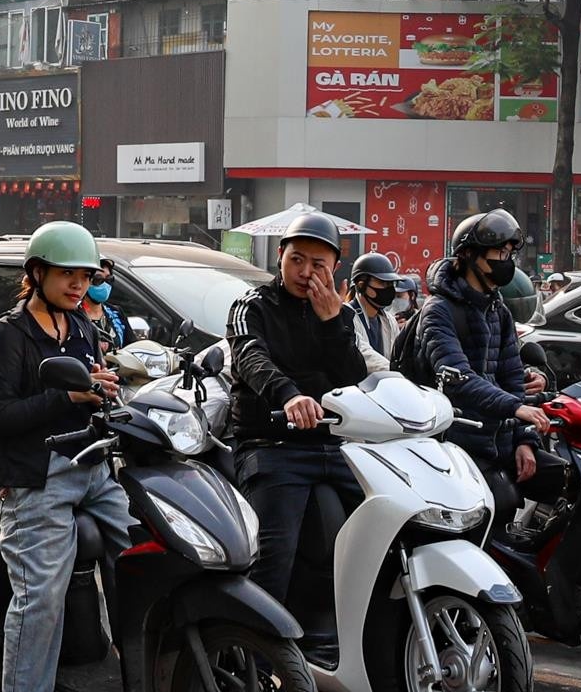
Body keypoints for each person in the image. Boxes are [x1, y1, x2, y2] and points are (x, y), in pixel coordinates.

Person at [0, 221, 132, 692]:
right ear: (36, 274)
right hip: (33, 478)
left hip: (91, 468)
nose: (77, 284)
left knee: (146, 551)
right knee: (40, 596)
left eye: (84, 275)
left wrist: (105, 387)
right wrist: (65, 397)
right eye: (67, 273)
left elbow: (91, 391)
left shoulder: (81, 327)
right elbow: (1, 418)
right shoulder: (9, 337)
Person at [225, 212, 374, 624]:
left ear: (334, 269)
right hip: (271, 446)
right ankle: (250, 652)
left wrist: (331, 323)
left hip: (334, 445)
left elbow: (354, 378)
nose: (306, 272)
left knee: (384, 530)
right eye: (297, 260)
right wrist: (289, 396)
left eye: (318, 264)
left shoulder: (341, 316)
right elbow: (250, 356)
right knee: (274, 554)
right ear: (280, 256)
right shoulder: (251, 305)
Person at [409, 209, 549, 514]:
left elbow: (512, 378)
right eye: (499, 252)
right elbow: (459, 378)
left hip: (496, 444)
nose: (506, 261)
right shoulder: (439, 311)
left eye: (510, 253)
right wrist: (516, 407)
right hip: (452, 449)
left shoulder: (499, 312)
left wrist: (525, 438)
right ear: (470, 255)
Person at [347, 252, 405, 364]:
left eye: (390, 284)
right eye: (383, 283)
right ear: (361, 285)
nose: (388, 289)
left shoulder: (390, 321)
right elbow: (363, 355)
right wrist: (392, 370)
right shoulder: (347, 316)